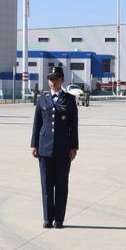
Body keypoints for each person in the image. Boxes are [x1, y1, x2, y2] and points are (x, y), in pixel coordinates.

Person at [31, 66, 79, 228]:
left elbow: (74, 126)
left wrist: (74, 147)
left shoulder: (69, 99)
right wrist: (34, 145)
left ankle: (59, 219)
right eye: (51, 79)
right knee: (46, 185)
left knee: (61, 185)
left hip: (63, 149)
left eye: (56, 79)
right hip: (44, 148)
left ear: (62, 80)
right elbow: (37, 124)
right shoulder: (42, 99)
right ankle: (47, 218)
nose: (53, 82)